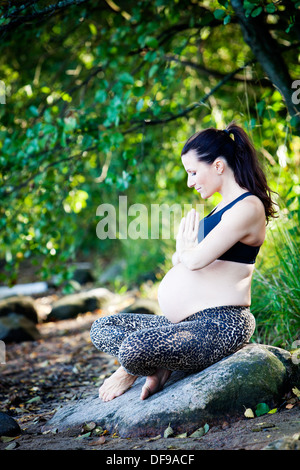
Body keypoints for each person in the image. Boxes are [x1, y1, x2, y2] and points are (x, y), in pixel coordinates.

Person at [90, 121, 278, 402]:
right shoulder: (220, 208)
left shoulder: (248, 207)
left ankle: (132, 368)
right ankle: (160, 364)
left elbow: (195, 259)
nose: (190, 181)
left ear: (217, 166)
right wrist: (183, 254)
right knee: (102, 327)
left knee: (132, 349)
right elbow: (187, 259)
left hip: (221, 324)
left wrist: (184, 252)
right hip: (182, 324)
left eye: (193, 172)